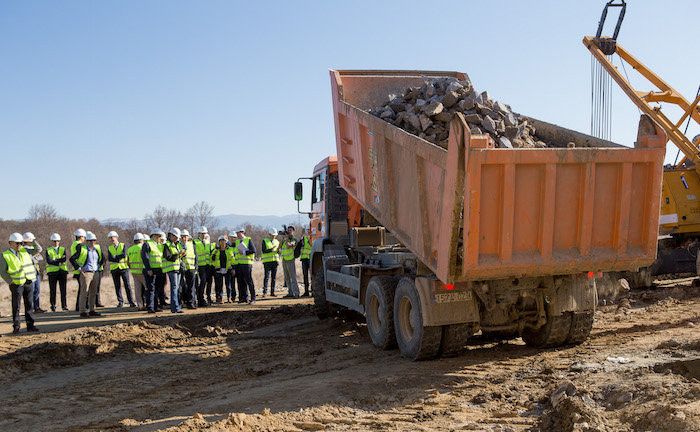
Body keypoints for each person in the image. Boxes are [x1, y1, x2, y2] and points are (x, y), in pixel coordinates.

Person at [1, 233, 40, 333]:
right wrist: (11, 281)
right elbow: (2, 271)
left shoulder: (25, 251)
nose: (19, 245)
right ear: (10, 243)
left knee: (29, 305)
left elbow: (38, 249)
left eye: (20, 243)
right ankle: (16, 326)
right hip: (16, 284)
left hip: (28, 282)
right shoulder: (5, 255)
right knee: (16, 306)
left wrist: (32, 239)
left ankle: (30, 326)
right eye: (17, 243)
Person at [74, 231, 103, 318]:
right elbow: (72, 259)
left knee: (93, 292)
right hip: (86, 273)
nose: (92, 242)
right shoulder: (82, 249)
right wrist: (79, 268)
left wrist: (99, 266)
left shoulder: (97, 250)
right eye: (90, 240)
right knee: (84, 292)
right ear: (86, 241)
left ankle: (92, 310)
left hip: (95, 273)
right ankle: (82, 311)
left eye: (93, 240)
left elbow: (103, 259)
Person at [107, 231, 136, 308]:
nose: (112, 239)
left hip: (123, 268)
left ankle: (131, 302)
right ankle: (120, 302)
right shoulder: (109, 248)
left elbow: (124, 255)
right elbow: (110, 258)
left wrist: (115, 257)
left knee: (127, 285)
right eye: (110, 238)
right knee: (117, 286)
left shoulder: (123, 245)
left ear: (117, 237)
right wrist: (117, 257)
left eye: (113, 237)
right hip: (114, 269)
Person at [142, 229, 165, 313]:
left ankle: (155, 306)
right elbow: (145, 257)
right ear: (154, 236)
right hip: (150, 270)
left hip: (159, 269)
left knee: (157, 289)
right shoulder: (147, 244)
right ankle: (150, 307)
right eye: (159, 236)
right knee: (151, 288)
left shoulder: (160, 245)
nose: (160, 238)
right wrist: (148, 269)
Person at [162, 228, 184, 314]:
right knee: (174, 288)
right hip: (171, 269)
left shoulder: (177, 245)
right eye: (175, 237)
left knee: (177, 288)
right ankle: (175, 308)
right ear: (171, 236)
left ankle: (176, 306)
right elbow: (168, 257)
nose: (176, 239)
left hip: (177, 268)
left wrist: (181, 254)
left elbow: (178, 257)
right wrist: (178, 254)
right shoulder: (166, 245)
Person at [45, 233, 69, 312]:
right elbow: (49, 261)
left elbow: (64, 259)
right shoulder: (48, 250)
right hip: (52, 273)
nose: (56, 242)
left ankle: (64, 306)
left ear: (59, 241)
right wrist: (59, 261)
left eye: (57, 241)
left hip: (62, 272)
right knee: (52, 290)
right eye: (54, 241)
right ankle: (53, 305)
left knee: (63, 290)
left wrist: (55, 261)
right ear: (52, 241)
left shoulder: (62, 249)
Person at [22, 232, 45, 313]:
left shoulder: (31, 248)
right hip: (30, 272)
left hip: (36, 271)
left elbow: (40, 257)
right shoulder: (25, 249)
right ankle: (31, 308)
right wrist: (34, 240)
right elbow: (39, 249)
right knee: (32, 290)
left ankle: (36, 307)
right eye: (31, 239)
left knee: (37, 290)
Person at [233, 228, 257, 304]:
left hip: (247, 264)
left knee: (249, 281)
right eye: (237, 233)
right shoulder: (237, 242)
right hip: (239, 264)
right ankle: (243, 298)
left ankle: (253, 298)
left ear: (243, 232)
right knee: (240, 282)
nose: (237, 234)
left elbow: (253, 250)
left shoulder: (248, 240)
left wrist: (243, 252)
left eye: (239, 232)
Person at [126, 233, 146, 310]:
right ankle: (149, 304)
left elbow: (127, 262)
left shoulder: (130, 249)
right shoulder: (142, 247)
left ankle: (140, 305)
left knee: (137, 290)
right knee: (147, 288)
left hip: (134, 272)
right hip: (142, 271)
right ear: (141, 240)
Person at [193, 226, 212, 307]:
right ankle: (200, 299)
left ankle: (203, 298)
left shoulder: (207, 242)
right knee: (202, 282)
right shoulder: (195, 242)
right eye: (202, 233)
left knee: (206, 282)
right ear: (199, 234)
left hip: (207, 265)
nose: (204, 235)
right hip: (199, 266)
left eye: (205, 233)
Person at [179, 229, 197, 309]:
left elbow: (196, 256)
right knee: (181, 286)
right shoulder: (178, 245)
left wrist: (196, 266)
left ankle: (191, 303)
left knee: (191, 287)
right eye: (182, 237)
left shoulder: (191, 245)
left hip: (191, 268)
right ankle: (181, 302)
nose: (184, 238)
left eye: (185, 236)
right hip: (182, 269)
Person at [70, 229, 88, 311]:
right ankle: (80, 306)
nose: (84, 238)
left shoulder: (74, 244)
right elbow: (72, 259)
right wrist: (79, 267)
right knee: (82, 289)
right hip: (80, 271)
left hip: (78, 270)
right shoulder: (79, 245)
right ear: (81, 237)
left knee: (82, 288)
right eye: (84, 237)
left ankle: (80, 306)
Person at [280, 227, 300, 298]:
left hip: (291, 259)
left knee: (293, 277)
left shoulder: (294, 239)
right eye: (288, 230)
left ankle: (296, 293)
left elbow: (289, 246)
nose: (289, 232)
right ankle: (290, 292)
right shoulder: (285, 239)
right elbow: (280, 247)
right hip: (284, 259)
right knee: (287, 277)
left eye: (290, 230)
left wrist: (286, 238)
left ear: (293, 231)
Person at [261, 228, 280, 297]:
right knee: (266, 277)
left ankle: (272, 292)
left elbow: (278, 251)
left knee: (273, 278)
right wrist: (271, 250)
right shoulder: (264, 241)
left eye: (275, 235)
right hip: (267, 262)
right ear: (269, 234)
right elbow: (264, 250)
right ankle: (265, 292)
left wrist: (279, 251)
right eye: (272, 235)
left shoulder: (277, 242)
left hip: (275, 261)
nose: (274, 236)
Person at [211, 236, 229, 304]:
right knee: (219, 285)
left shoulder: (228, 249)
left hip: (227, 269)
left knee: (228, 284)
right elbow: (212, 259)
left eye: (223, 241)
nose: (222, 242)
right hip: (218, 269)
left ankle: (228, 298)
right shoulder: (216, 250)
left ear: (226, 242)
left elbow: (231, 259)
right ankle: (219, 298)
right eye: (221, 241)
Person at [295, 229, 313, 297]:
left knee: (312, 276)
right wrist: (301, 239)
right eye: (308, 231)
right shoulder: (304, 238)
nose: (308, 232)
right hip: (304, 259)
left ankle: (313, 291)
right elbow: (300, 246)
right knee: (305, 276)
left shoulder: (314, 238)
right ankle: (306, 292)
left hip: (311, 259)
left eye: (310, 231)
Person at [224, 231, 237, 303]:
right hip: (228, 267)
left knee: (234, 283)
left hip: (235, 267)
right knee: (228, 284)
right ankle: (229, 297)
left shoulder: (237, 245)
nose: (233, 239)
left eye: (234, 237)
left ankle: (234, 297)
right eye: (231, 237)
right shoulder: (226, 246)